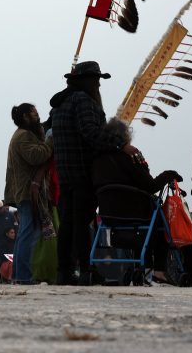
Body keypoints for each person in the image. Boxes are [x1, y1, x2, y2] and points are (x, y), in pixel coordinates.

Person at [50, 61, 132, 285]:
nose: (98, 84)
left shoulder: (59, 104)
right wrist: (120, 144)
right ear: (86, 81)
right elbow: (90, 133)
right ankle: (86, 270)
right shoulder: (83, 101)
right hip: (84, 171)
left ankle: (64, 271)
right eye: (96, 79)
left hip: (65, 172)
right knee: (81, 224)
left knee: (67, 224)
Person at [92, 118, 182, 284]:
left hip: (108, 214)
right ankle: (158, 271)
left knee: (150, 219)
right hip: (135, 212)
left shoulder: (96, 158)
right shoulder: (131, 155)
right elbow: (150, 185)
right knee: (159, 217)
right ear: (125, 136)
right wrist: (169, 174)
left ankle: (142, 268)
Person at [3, 103, 53, 284]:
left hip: (24, 192)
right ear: (25, 116)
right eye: (35, 113)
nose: (38, 116)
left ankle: (18, 274)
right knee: (28, 233)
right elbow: (37, 156)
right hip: (27, 192)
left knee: (26, 233)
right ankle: (23, 276)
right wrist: (50, 140)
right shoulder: (23, 136)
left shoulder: (23, 135)